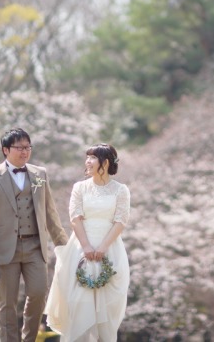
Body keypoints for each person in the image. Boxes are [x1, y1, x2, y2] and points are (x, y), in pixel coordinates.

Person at [0, 128, 69, 342]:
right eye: (19, 148)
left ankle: (28, 339)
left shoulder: (39, 174)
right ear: (5, 150)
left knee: (38, 294)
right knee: (6, 303)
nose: (25, 152)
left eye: (28, 147)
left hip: (35, 247)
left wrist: (65, 245)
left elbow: (50, 213)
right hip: (6, 249)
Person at [45, 143, 131, 342]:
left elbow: (120, 221)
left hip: (110, 249)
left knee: (107, 307)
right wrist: (86, 247)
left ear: (106, 162)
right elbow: (75, 218)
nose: (88, 162)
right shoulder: (80, 188)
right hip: (81, 248)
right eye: (87, 157)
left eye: (93, 158)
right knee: (78, 302)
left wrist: (102, 247)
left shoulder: (121, 190)